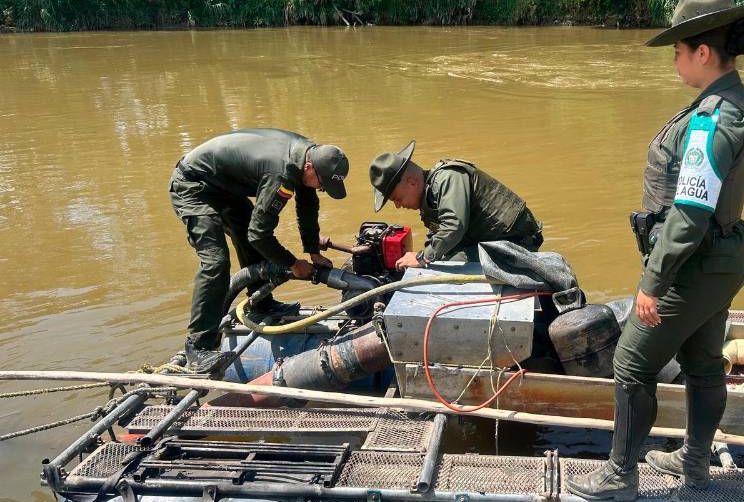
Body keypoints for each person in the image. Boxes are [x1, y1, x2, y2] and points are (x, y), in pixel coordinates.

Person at [567, 0, 744, 500]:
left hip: (694, 261)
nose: (674, 61)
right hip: (719, 256)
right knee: (703, 360)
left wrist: (653, 281)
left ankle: (620, 476)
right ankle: (694, 462)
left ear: (703, 52)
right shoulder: (734, 104)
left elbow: (691, 210)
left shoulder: (711, 120)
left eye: (678, 52)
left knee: (631, 361)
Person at [169, 127, 349, 373]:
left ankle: (261, 303)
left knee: (246, 231)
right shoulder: (283, 173)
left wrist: (312, 250)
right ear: (309, 168)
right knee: (216, 262)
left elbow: (307, 206)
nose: (321, 189)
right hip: (194, 186)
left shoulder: (309, 156)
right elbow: (260, 235)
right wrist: (293, 264)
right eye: (322, 184)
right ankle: (197, 347)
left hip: (224, 187)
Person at [368, 140, 543, 268]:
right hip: (491, 241)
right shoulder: (431, 195)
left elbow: (453, 226)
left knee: (445, 267)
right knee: (439, 261)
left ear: (413, 182)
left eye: (397, 199)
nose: (399, 206)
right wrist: (423, 255)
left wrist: (422, 258)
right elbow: (439, 233)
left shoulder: (449, 178)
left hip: (517, 243)